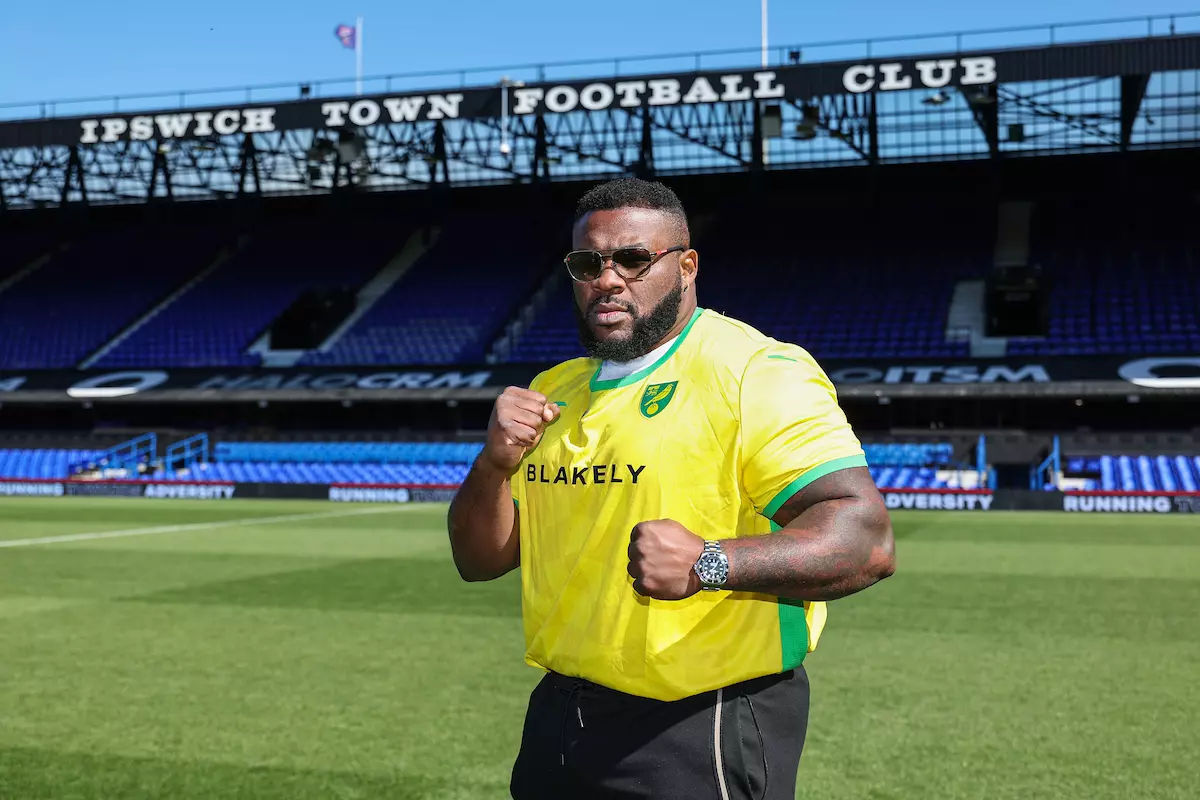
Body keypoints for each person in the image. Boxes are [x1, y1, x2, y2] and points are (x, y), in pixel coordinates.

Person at [447, 178, 895, 800]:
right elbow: (479, 561)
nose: (607, 279)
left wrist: (711, 562)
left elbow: (866, 539)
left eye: (633, 259)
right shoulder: (551, 391)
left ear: (686, 267)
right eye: (588, 263)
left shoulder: (754, 371)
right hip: (558, 717)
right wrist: (492, 466)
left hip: (700, 722)